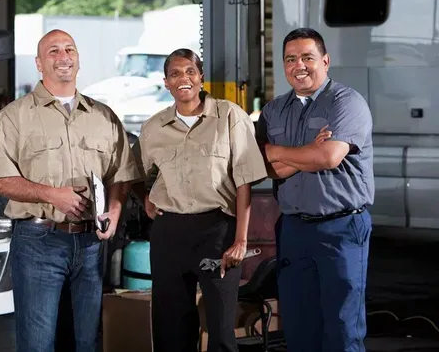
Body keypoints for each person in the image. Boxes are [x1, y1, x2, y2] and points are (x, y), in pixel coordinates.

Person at [0, 29, 141, 352]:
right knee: (39, 344)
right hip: (39, 242)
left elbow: (121, 174)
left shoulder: (104, 117)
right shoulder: (13, 118)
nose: (63, 56)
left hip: (91, 245)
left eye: (69, 49)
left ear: (78, 60)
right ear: (39, 64)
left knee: (85, 342)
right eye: (53, 51)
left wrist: (113, 210)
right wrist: (51, 195)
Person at [132, 48, 267, 352]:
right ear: (166, 82)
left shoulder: (230, 116)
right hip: (169, 234)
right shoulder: (153, 127)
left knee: (220, 330)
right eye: (176, 73)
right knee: (171, 328)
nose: (184, 78)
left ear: (201, 77)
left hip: (217, 232)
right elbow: (131, 172)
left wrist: (241, 240)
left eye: (190, 71)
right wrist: (146, 201)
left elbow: (245, 179)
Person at [255, 27, 374, 352]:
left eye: (307, 57)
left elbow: (329, 156)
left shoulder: (346, 102)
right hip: (294, 229)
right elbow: (260, 166)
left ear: (325, 60)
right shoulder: (274, 110)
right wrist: (307, 151)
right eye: (290, 59)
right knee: (299, 327)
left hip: (341, 228)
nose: (299, 65)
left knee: (341, 328)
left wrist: (281, 153)